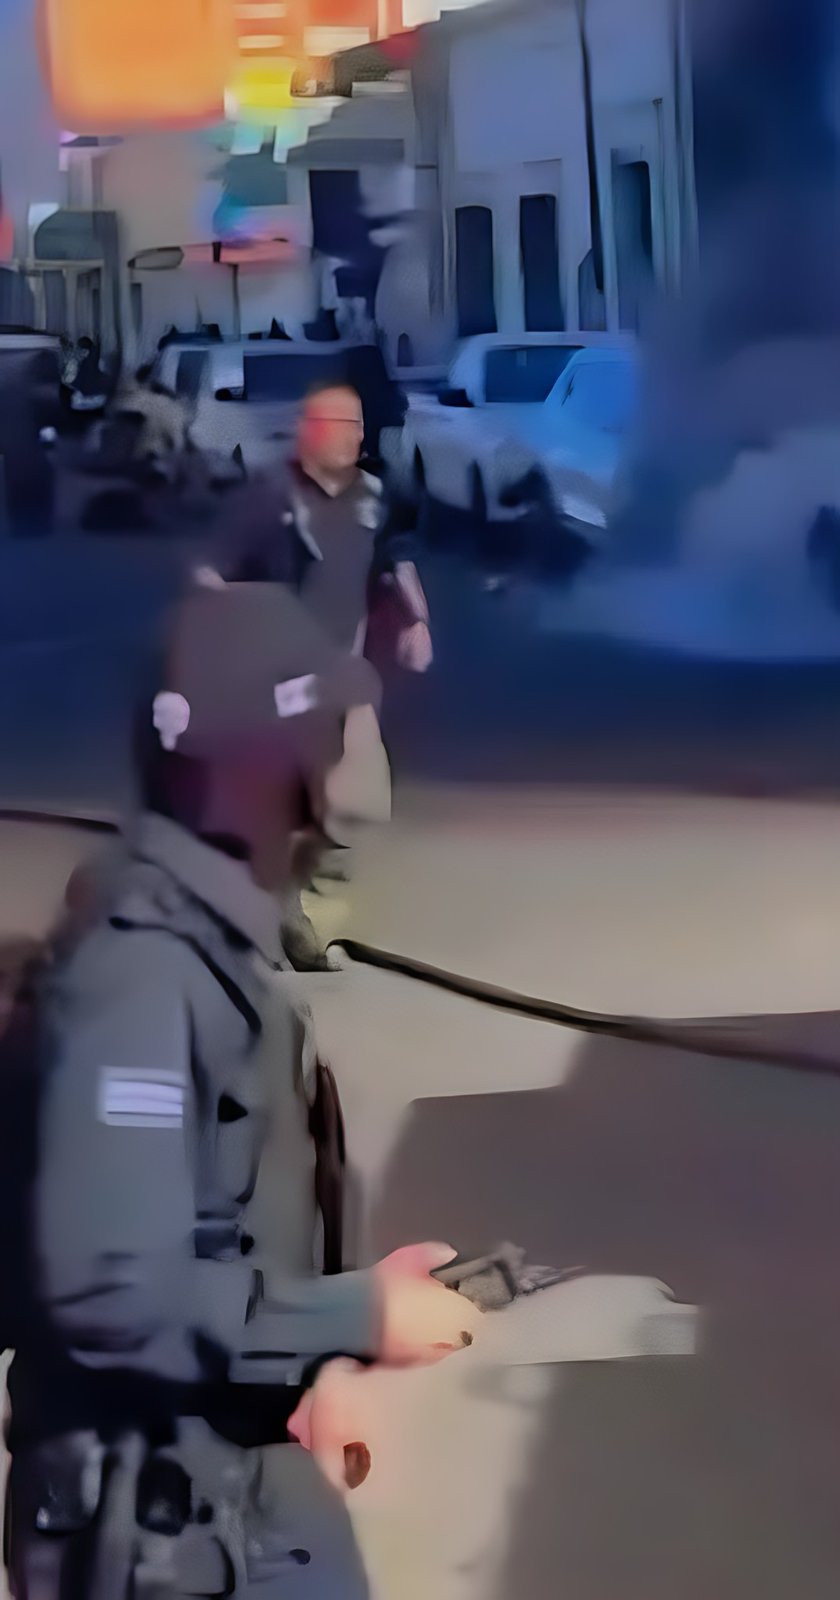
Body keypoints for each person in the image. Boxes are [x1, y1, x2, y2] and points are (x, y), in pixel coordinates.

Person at [4, 583, 480, 1598]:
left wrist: (320, 1343)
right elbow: (113, 1289)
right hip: (162, 1528)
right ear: (257, 767)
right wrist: (351, 1316)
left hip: (223, 1486)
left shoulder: (204, 944)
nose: (345, 756)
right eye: (325, 728)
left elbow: (219, 1212)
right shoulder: (141, 975)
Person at [193, 380, 433, 968]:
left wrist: (417, 620)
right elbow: (211, 571)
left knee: (352, 787)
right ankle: (281, 917)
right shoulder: (268, 498)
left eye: (355, 425)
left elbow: (395, 560)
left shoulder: (376, 497)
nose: (348, 437)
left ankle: (315, 881)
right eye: (334, 425)